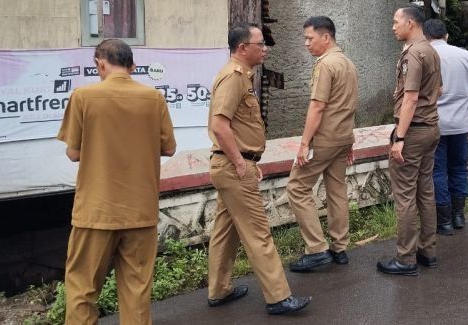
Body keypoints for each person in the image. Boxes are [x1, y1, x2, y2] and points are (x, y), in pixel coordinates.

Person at [57, 39, 177, 324]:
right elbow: (169, 148)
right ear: (132, 66)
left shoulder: (83, 96)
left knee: (82, 290)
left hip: (95, 213)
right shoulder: (154, 98)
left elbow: (73, 153)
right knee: (136, 292)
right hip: (141, 211)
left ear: (100, 63)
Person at [206, 23, 310, 315]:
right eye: (260, 44)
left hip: (233, 165)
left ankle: (219, 289)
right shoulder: (233, 76)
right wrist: (241, 163)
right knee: (258, 232)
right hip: (233, 166)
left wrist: (247, 160)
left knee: (225, 232)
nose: (265, 49)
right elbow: (219, 125)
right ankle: (278, 297)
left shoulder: (240, 75)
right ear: (243, 48)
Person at [287, 16, 359, 271]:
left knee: (296, 187)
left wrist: (304, 144)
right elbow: (348, 105)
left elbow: (318, 106)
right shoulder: (347, 63)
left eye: (310, 38)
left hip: (325, 140)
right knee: (337, 191)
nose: (306, 43)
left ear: (325, 37)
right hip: (343, 138)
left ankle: (317, 249)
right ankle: (340, 247)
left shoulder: (325, 64)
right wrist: (349, 141)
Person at [377, 6, 442, 276]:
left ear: (411, 23)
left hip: (413, 132)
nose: (393, 27)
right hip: (430, 128)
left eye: (395, 21)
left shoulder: (413, 53)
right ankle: (428, 251)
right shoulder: (431, 50)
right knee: (425, 191)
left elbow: (411, 97)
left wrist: (400, 137)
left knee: (404, 196)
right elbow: (439, 89)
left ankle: (405, 258)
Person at [423, 19, 468, 234]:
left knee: (437, 171)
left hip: (433, 124)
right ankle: (458, 216)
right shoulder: (466, 56)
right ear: (446, 36)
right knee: (458, 168)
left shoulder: (424, 55)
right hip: (459, 124)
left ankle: (444, 221)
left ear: (425, 37)